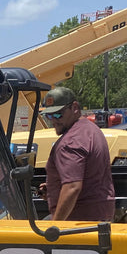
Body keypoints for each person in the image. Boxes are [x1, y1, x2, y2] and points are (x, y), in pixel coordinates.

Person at [37, 86, 115, 221]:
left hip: (78, 220)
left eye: (58, 114)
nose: (53, 120)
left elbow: (72, 187)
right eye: (49, 115)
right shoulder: (90, 129)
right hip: (100, 213)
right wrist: (54, 189)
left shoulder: (69, 142)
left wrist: (56, 227)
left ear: (74, 108)